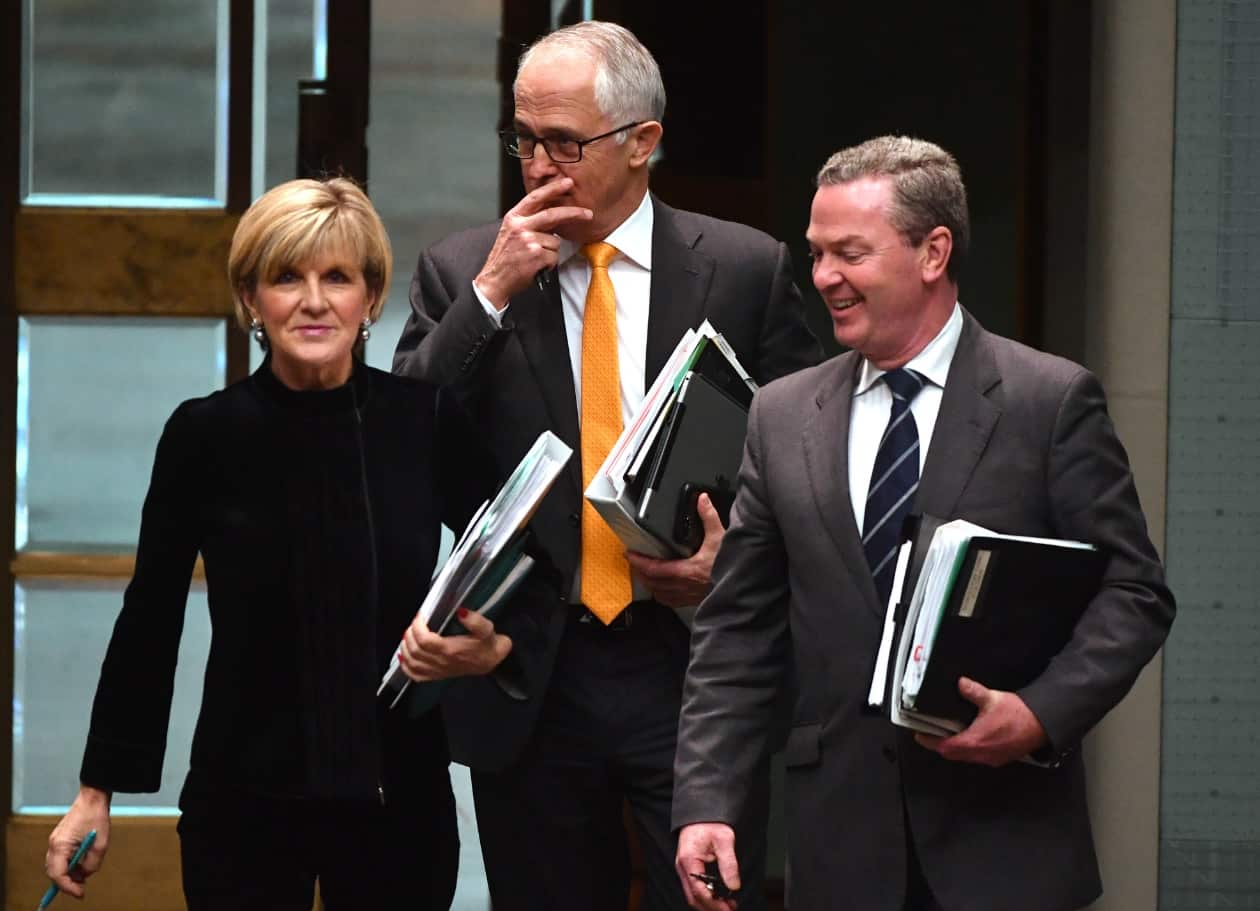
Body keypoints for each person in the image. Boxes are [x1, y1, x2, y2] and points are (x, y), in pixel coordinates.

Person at [672, 136, 1176, 911]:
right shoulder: (780, 415)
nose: (824, 278)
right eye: (816, 254)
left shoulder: (1048, 402)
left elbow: (1134, 590)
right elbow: (738, 628)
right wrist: (707, 798)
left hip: (1004, 842)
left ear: (933, 251)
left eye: (850, 253)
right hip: (839, 845)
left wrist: (1041, 713)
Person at [393, 20, 821, 911]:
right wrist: (491, 294)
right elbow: (401, 443)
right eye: (524, 139)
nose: (541, 165)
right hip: (526, 664)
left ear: (643, 143)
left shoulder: (744, 268)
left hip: (691, 660)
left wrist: (729, 564)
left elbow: (808, 461)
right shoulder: (461, 270)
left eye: (564, 142)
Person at [43, 177, 509, 911]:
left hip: (399, 802)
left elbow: (515, 563)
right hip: (244, 804)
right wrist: (94, 790)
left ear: (370, 297)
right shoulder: (204, 433)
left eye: (337, 277)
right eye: (286, 276)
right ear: (250, 299)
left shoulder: (425, 421)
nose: (314, 300)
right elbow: (150, 618)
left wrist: (489, 648)